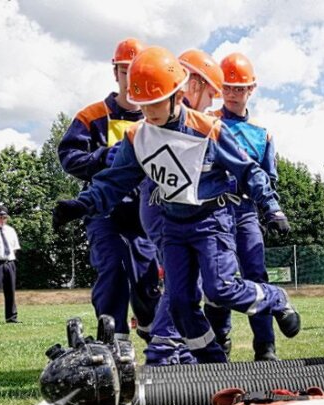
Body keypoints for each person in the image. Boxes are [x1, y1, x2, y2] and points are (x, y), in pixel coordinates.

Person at [52, 46, 300, 364]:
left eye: (157, 102)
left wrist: (271, 207)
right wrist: (80, 205)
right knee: (181, 302)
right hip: (172, 225)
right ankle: (212, 361)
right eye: (144, 105)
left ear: (178, 94)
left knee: (221, 289)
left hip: (212, 221)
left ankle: (276, 299)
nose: (150, 112)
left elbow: (248, 169)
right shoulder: (136, 137)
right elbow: (114, 181)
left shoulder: (208, 129)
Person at [58, 37, 160, 344]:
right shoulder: (92, 116)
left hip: (146, 214)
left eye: (138, 71)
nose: (131, 79)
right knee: (113, 267)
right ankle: (114, 339)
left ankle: (148, 323)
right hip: (104, 211)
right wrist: (102, 157)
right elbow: (69, 157)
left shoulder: (156, 117)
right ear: (115, 73)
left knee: (147, 278)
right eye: (125, 71)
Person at [140, 48, 227, 365]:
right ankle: (164, 348)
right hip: (170, 211)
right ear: (195, 83)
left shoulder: (170, 112)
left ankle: (186, 350)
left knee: (188, 285)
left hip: (162, 208)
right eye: (210, 96)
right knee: (182, 285)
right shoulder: (179, 117)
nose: (210, 106)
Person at [211, 51, 279, 360]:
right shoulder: (207, 123)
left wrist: (271, 208)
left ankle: (265, 346)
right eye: (228, 87)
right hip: (212, 211)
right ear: (219, 88)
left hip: (246, 211)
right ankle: (218, 340)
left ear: (251, 89)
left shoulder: (262, 135)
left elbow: (268, 177)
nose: (234, 94)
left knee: (255, 272)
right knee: (215, 276)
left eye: (241, 88)